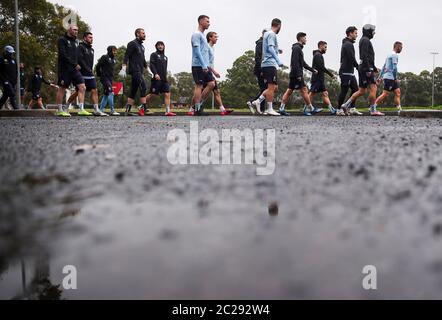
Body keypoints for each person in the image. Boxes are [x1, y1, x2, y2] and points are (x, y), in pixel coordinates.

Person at [341, 24, 382, 116]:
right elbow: (364, 55)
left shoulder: (364, 40)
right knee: (373, 88)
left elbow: (368, 57)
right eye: (372, 31)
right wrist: (368, 69)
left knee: (362, 90)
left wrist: (374, 67)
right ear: (368, 31)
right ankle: (373, 110)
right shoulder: (365, 40)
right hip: (366, 68)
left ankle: (346, 105)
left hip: (365, 67)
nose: (373, 33)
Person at [279, 32, 319, 116]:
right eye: (305, 38)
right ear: (300, 38)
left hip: (294, 73)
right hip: (296, 74)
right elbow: (294, 62)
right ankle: (311, 109)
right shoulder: (297, 48)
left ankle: (281, 108)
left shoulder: (298, 48)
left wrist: (312, 70)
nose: (306, 39)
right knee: (304, 90)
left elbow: (302, 63)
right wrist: (298, 75)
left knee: (289, 91)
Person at [250, 18, 284, 116]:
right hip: (269, 63)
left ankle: (258, 101)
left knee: (273, 87)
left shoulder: (266, 34)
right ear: (279, 26)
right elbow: (270, 48)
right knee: (270, 87)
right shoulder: (272, 34)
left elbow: (269, 48)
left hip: (267, 64)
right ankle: (269, 108)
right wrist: (278, 60)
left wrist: (278, 50)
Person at [67, 32, 106, 116]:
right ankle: (66, 106)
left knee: (94, 90)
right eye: (89, 37)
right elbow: (80, 60)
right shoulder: (80, 47)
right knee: (78, 92)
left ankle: (96, 110)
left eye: (92, 37)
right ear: (84, 38)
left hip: (90, 74)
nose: (91, 39)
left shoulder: (92, 49)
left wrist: (91, 70)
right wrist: (87, 68)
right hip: (81, 73)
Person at [55, 25, 90, 117]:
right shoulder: (62, 40)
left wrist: (80, 65)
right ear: (69, 29)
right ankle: (59, 110)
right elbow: (63, 55)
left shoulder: (76, 41)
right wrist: (74, 64)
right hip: (64, 69)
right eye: (74, 29)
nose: (76, 31)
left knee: (82, 87)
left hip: (75, 70)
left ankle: (81, 109)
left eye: (77, 30)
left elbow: (77, 56)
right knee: (62, 88)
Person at [189, 15, 215, 116]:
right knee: (199, 86)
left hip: (205, 65)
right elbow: (196, 51)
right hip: (198, 65)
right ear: (201, 22)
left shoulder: (203, 36)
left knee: (211, 84)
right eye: (207, 21)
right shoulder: (196, 34)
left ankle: (198, 104)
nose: (209, 23)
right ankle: (197, 109)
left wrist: (208, 66)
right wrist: (203, 64)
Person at [119, 28, 149, 116]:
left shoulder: (142, 46)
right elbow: (126, 56)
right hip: (134, 70)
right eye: (143, 33)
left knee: (133, 90)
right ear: (137, 34)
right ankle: (143, 107)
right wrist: (124, 68)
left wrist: (148, 69)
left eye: (144, 33)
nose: (144, 35)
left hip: (140, 70)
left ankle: (127, 110)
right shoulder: (132, 43)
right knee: (143, 86)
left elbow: (143, 60)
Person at [144, 41, 176, 116]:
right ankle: (142, 106)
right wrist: (155, 74)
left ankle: (167, 111)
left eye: (162, 45)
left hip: (164, 79)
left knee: (167, 94)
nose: (160, 46)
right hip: (156, 78)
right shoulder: (154, 55)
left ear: (164, 46)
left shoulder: (165, 57)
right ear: (156, 46)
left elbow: (164, 68)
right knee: (153, 94)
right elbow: (151, 65)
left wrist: (165, 77)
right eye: (159, 45)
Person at [206, 31, 234, 116]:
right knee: (201, 90)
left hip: (210, 71)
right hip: (205, 72)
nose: (216, 38)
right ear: (210, 38)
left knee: (217, 91)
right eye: (215, 37)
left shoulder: (212, 48)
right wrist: (214, 72)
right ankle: (194, 107)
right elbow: (206, 62)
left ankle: (223, 110)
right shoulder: (206, 47)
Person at [373, 42, 404, 115]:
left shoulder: (389, 55)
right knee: (385, 94)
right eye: (401, 47)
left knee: (398, 92)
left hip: (390, 77)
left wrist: (379, 77)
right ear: (397, 47)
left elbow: (384, 67)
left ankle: (399, 110)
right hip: (390, 78)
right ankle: (373, 106)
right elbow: (394, 68)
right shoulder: (394, 55)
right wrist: (395, 77)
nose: (401, 49)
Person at [337, 26, 360, 116]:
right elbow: (351, 58)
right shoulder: (348, 44)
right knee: (344, 91)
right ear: (350, 33)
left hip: (350, 71)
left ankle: (352, 108)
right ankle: (339, 109)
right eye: (355, 33)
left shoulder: (348, 43)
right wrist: (358, 67)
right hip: (345, 71)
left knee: (355, 89)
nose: (356, 35)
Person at [309, 41, 336, 115]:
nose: (326, 49)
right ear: (320, 46)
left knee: (325, 93)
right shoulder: (317, 55)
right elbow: (321, 67)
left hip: (320, 79)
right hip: (317, 79)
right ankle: (306, 108)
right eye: (325, 47)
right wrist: (331, 74)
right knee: (311, 94)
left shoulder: (319, 55)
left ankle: (332, 109)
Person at [247, 29, 267, 114]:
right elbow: (258, 58)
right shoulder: (260, 43)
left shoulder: (264, 43)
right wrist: (262, 69)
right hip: (260, 69)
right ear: (263, 34)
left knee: (264, 89)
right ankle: (252, 102)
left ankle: (261, 109)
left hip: (262, 68)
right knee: (265, 89)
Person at [96, 46, 120, 115]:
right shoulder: (104, 57)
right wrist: (99, 74)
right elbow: (98, 66)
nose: (115, 52)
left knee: (106, 94)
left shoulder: (114, 59)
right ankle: (112, 110)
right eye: (114, 51)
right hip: (104, 78)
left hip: (110, 79)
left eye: (116, 51)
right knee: (111, 92)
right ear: (110, 51)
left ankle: (101, 110)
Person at [0, 46, 18, 110]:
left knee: (5, 96)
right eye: (9, 52)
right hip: (6, 81)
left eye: (12, 52)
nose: (11, 54)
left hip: (13, 81)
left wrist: (16, 80)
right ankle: (16, 108)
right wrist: (3, 80)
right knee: (12, 93)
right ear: (6, 52)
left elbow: (16, 71)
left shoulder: (14, 60)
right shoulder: (2, 59)